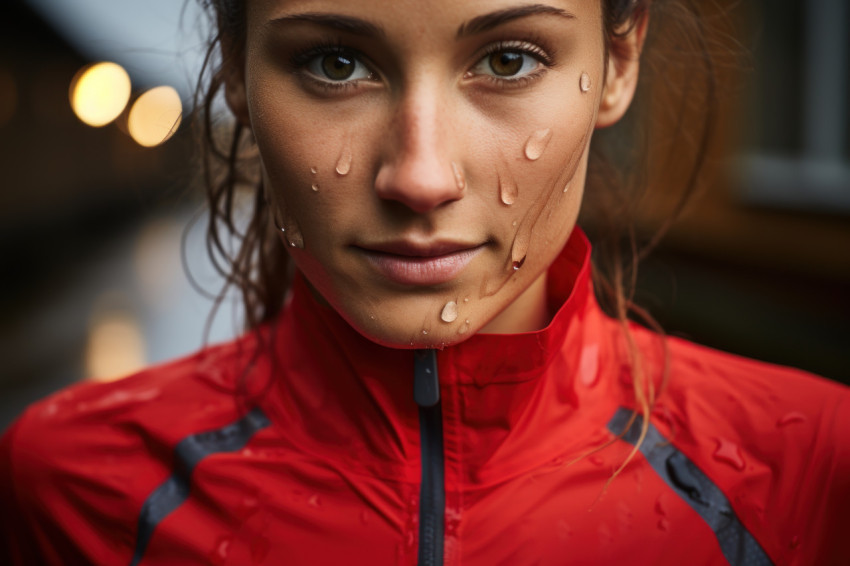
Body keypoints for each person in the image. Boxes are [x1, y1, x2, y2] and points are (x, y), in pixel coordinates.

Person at [1, 0, 848, 564]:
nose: (420, 175)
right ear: (236, 72)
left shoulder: (812, 469)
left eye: (510, 59)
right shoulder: (74, 486)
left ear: (617, 63)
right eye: (336, 63)